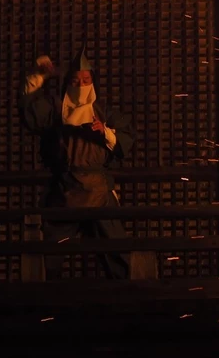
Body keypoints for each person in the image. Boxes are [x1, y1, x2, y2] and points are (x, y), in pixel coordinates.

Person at [19, 47, 134, 280]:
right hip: (64, 190)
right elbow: (32, 114)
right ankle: (48, 301)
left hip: (98, 191)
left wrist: (106, 133)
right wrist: (39, 76)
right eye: (75, 80)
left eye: (85, 80)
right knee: (49, 254)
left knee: (116, 251)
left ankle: (124, 299)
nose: (81, 85)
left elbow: (126, 139)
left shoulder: (105, 114)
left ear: (92, 82)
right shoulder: (54, 111)